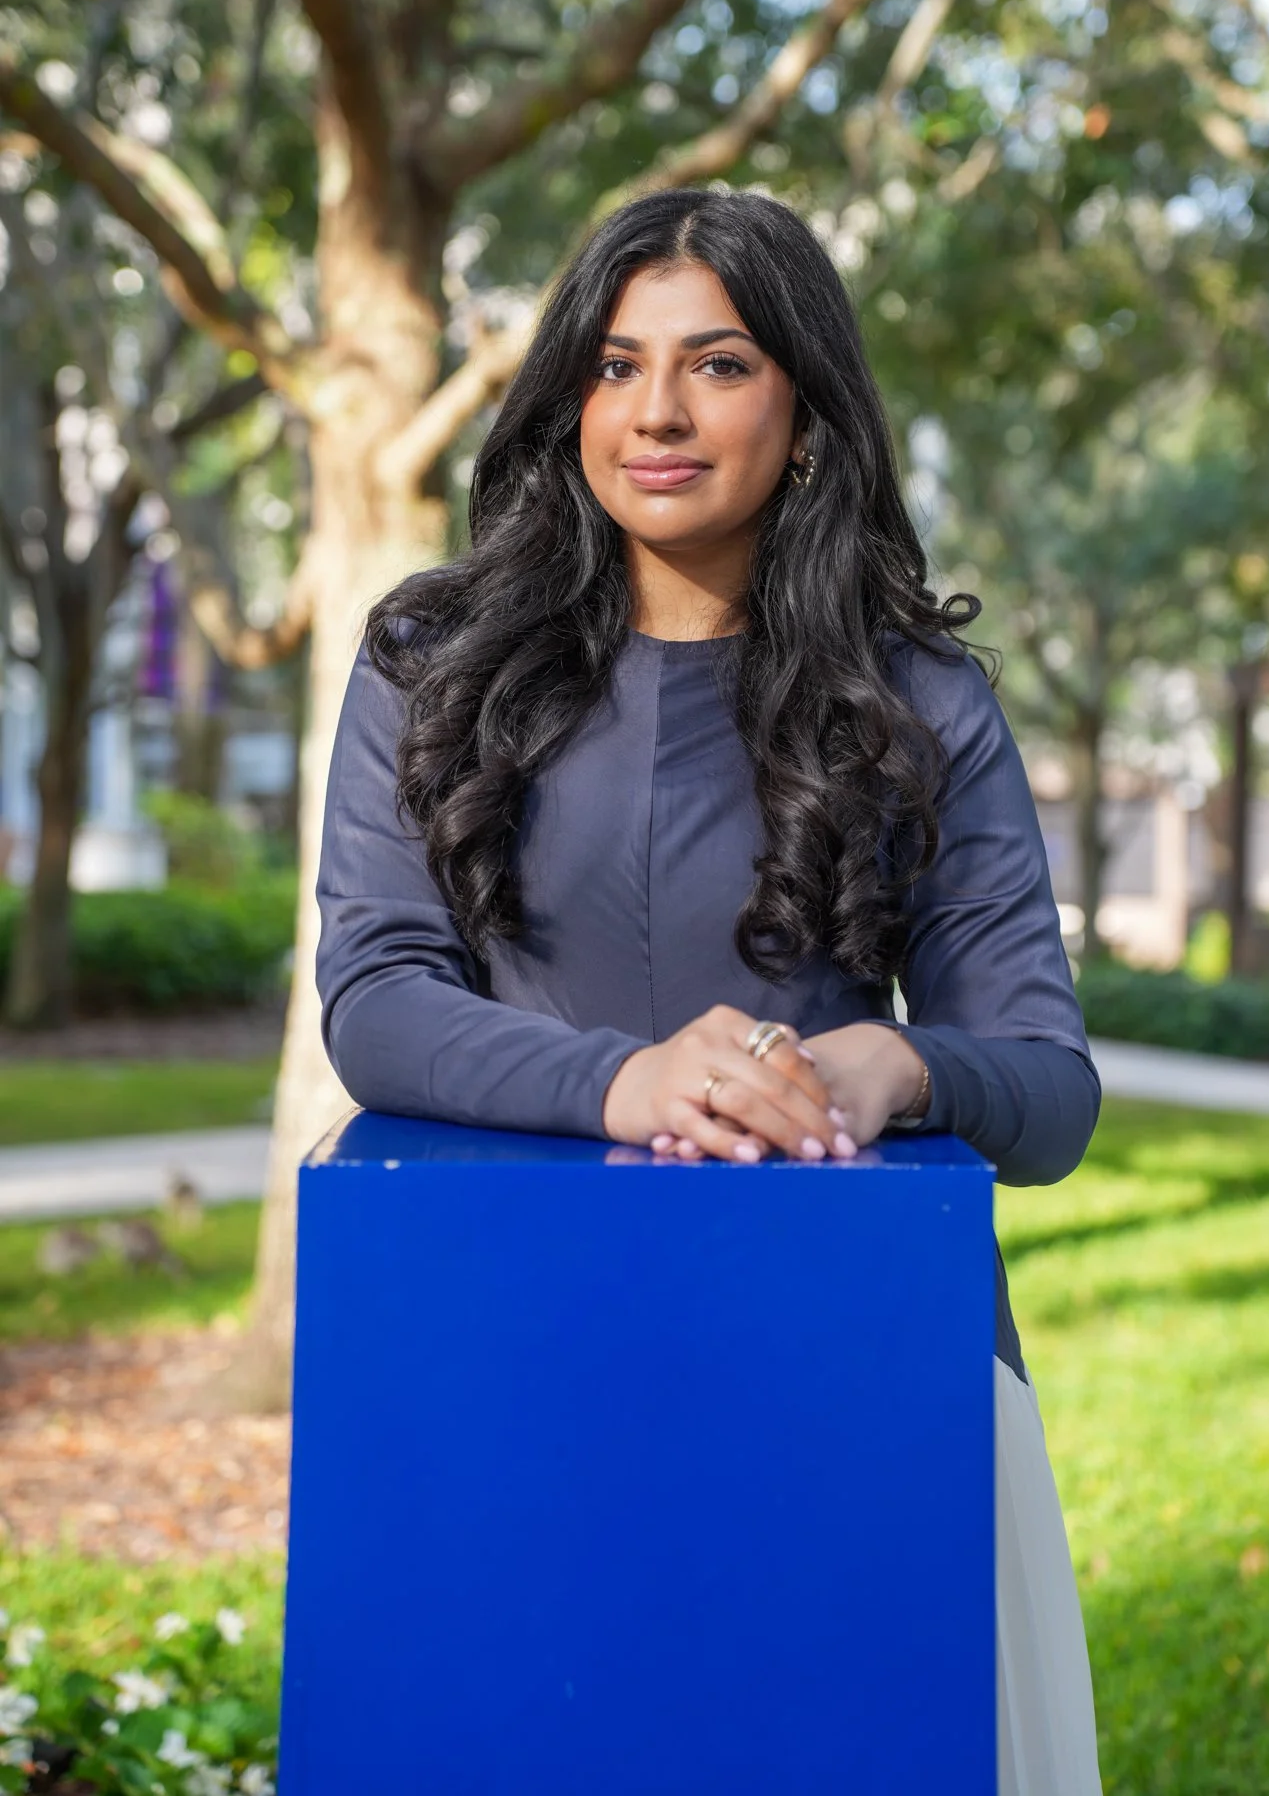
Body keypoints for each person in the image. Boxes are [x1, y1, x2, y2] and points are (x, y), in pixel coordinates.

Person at [316, 187, 1104, 1795]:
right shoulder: (429, 661)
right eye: (616, 366)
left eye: (720, 363)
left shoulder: (920, 700)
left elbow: (1051, 1089)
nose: (656, 412)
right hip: (509, 1350)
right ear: (571, 401)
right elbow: (375, 997)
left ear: (806, 417)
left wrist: (894, 1066)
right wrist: (628, 1079)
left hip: (863, 1369)